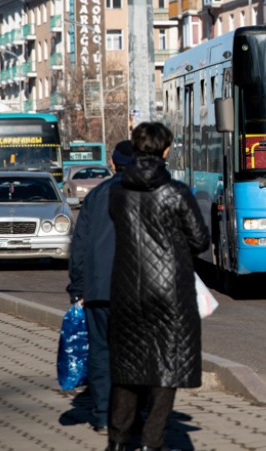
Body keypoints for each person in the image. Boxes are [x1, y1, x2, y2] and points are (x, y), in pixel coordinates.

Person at [105, 122, 210, 451]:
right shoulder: (175, 192)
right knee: (168, 366)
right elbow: (200, 239)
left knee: (127, 366)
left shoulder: (116, 192)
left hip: (126, 290)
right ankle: (152, 442)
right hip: (171, 293)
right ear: (165, 150)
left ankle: (119, 441)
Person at [66, 140, 134, 435]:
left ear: (113, 164)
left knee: (101, 351)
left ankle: (104, 415)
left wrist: (77, 288)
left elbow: (79, 246)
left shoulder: (95, 197)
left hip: (97, 291)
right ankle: (133, 414)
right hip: (135, 290)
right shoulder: (146, 195)